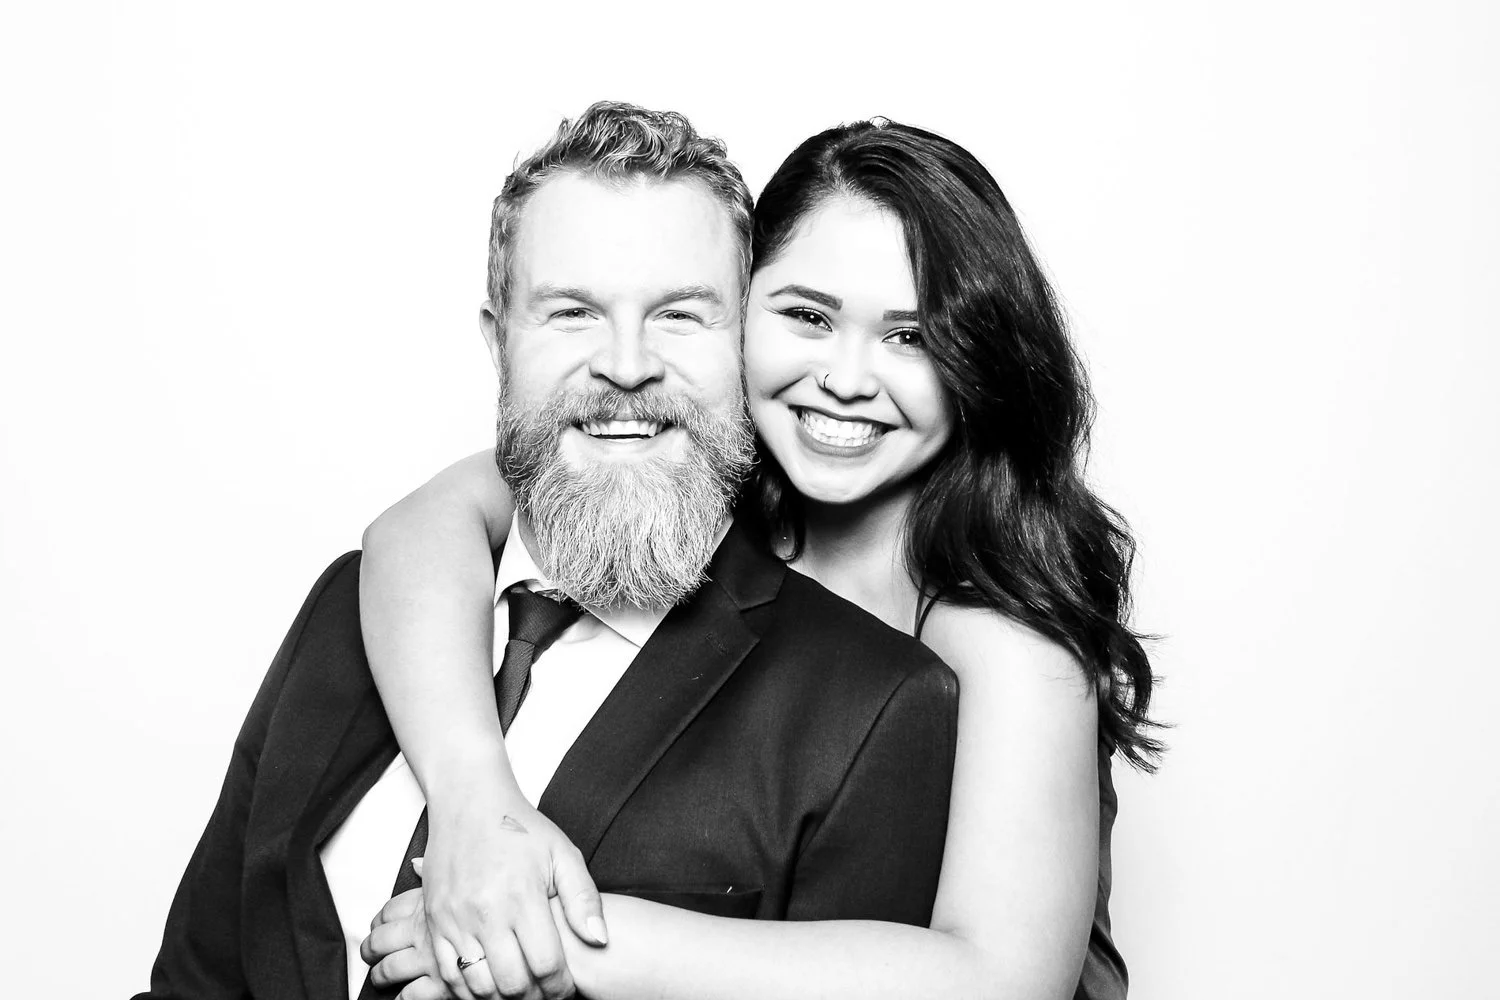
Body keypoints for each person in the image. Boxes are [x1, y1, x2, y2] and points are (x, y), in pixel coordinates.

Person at [134, 103, 963, 1000]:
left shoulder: (875, 707)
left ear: (745, 347)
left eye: (681, 316)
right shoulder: (359, 601)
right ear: (499, 345)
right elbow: (197, 980)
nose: (627, 366)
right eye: (572, 312)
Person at [356, 112, 1159, 1000]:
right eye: (808, 316)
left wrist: (547, 935)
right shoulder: (704, 494)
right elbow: (415, 530)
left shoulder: (1003, 636)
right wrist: (477, 804)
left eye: (910, 336)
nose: (848, 379)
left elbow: (1000, 982)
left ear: (979, 361)